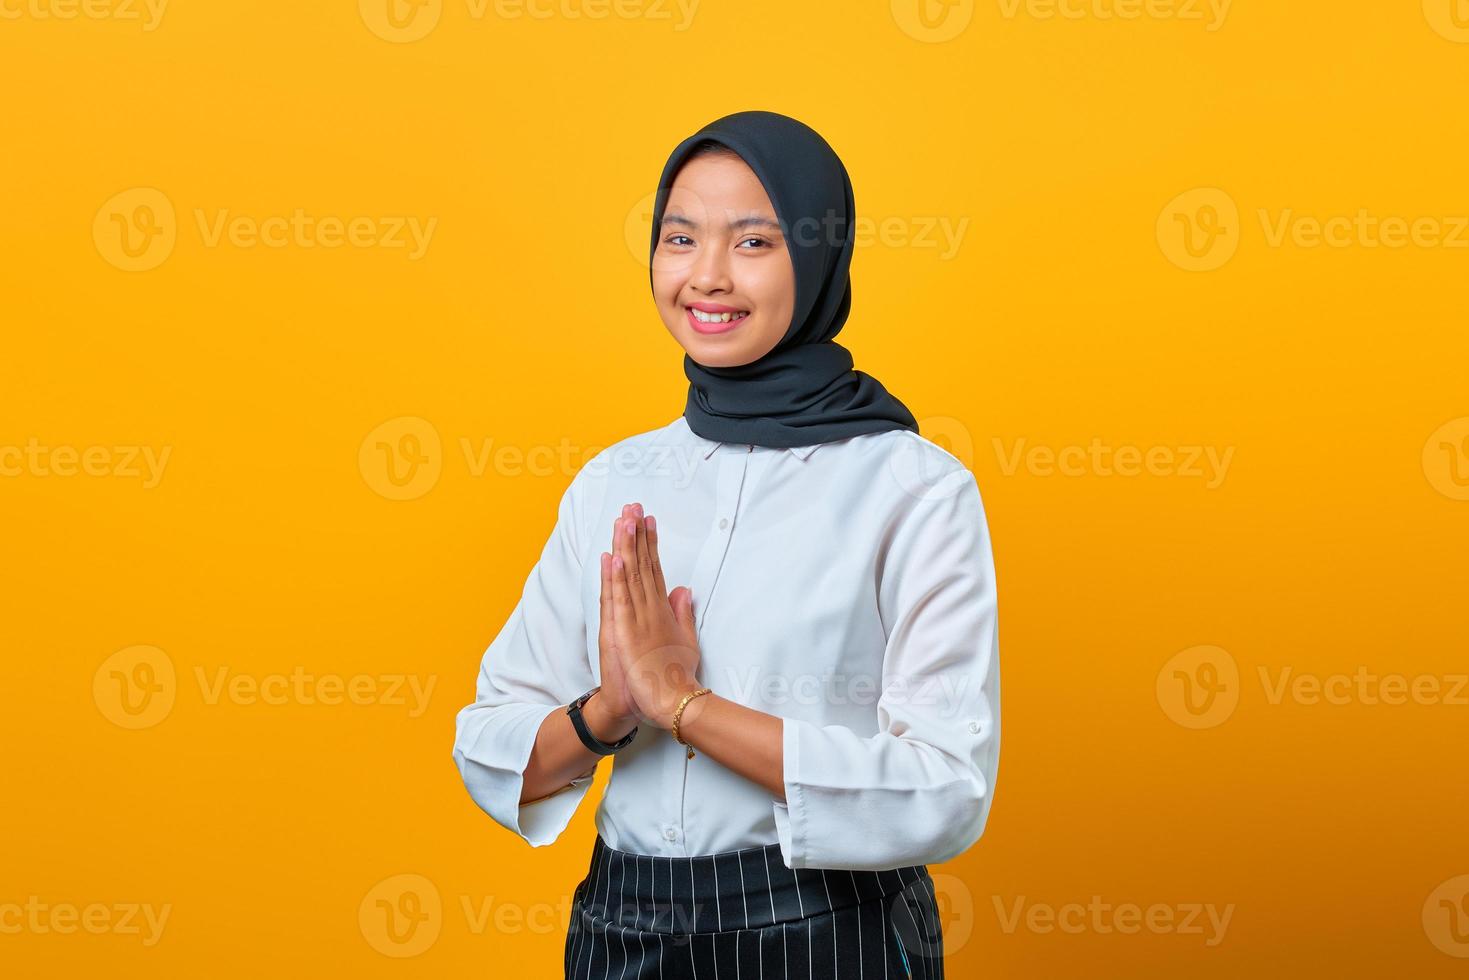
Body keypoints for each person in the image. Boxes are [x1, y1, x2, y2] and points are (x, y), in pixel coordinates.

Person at [452, 109, 1000, 980]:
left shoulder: (913, 488)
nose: (705, 278)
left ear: (818, 259)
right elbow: (492, 751)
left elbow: (942, 790)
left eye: (753, 243)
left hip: (823, 928)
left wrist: (686, 708)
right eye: (679, 238)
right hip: (616, 930)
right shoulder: (613, 482)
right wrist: (611, 711)